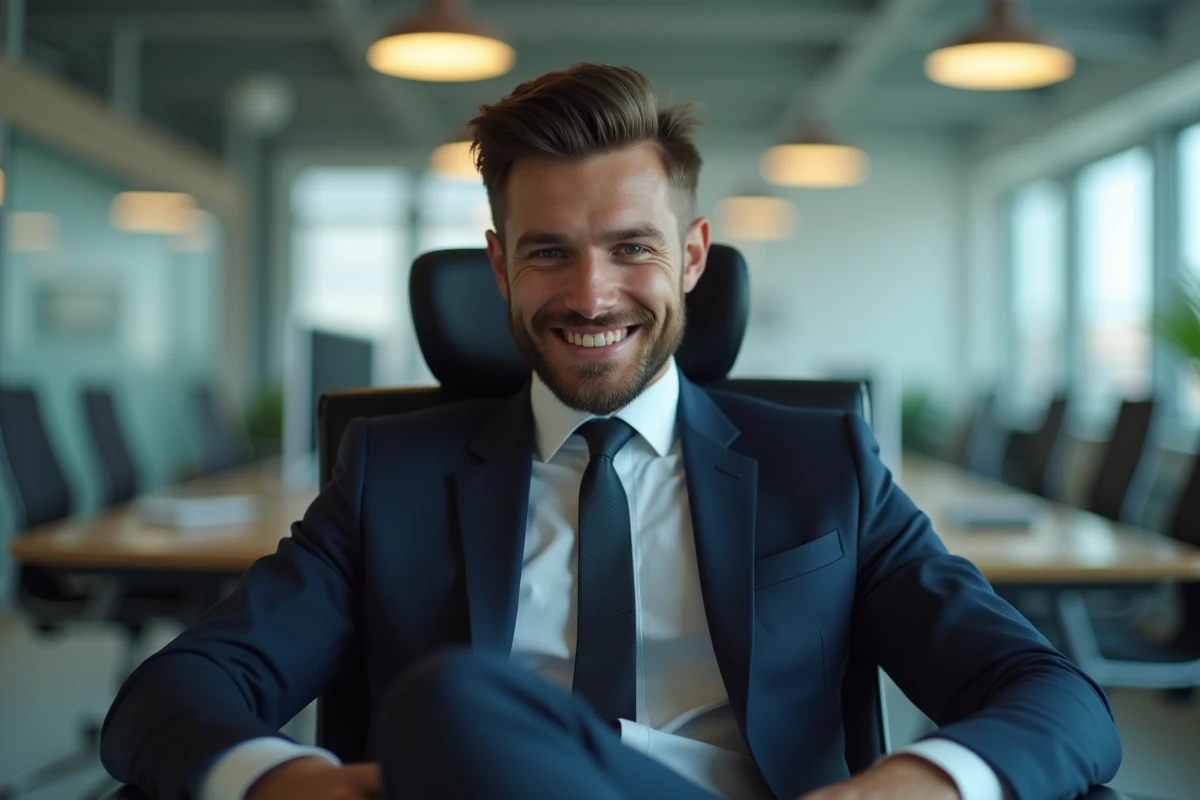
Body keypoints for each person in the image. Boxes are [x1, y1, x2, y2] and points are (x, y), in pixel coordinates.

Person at [100, 64, 1121, 800]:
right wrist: (286, 780)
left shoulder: (824, 465)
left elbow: (1053, 697)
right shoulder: (390, 472)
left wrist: (913, 780)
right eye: (550, 253)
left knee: (449, 710)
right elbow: (174, 691)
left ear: (691, 257)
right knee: (455, 707)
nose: (591, 295)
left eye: (632, 247)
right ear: (500, 267)